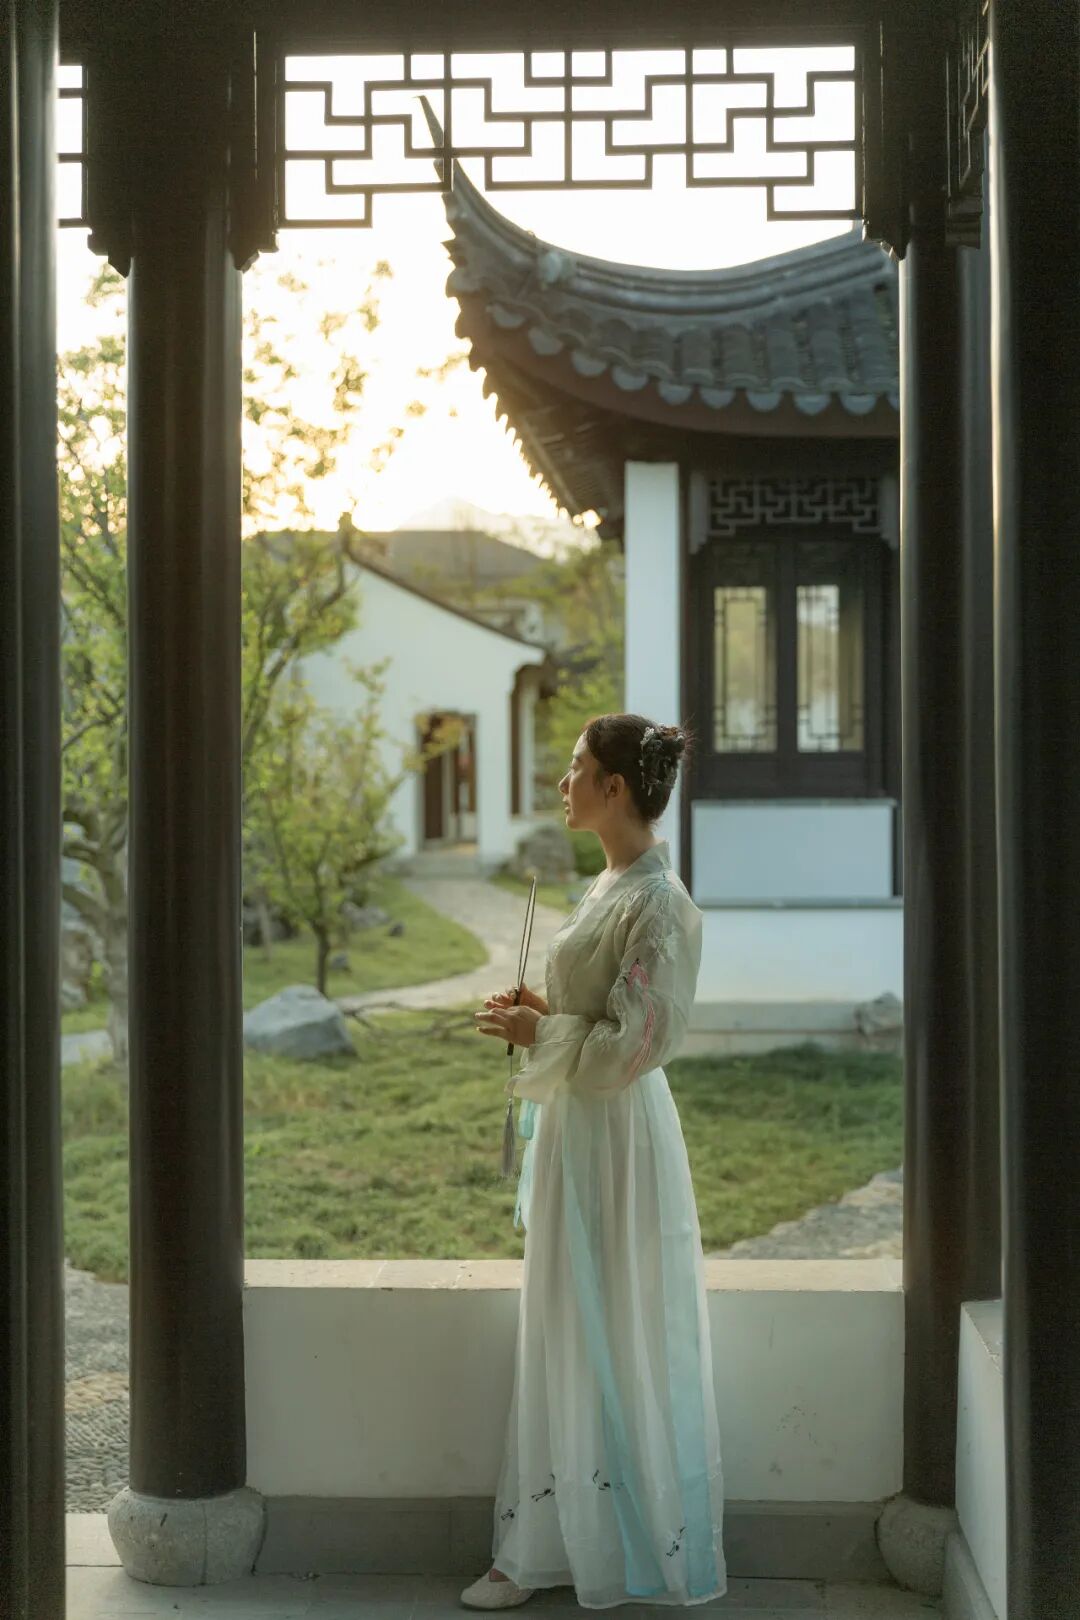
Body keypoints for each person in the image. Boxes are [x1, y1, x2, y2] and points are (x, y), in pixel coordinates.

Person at [461, 714, 727, 1611]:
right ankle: (546, 1541)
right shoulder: (609, 884)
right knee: (562, 1320)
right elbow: (598, 1011)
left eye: (576, 768)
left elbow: (634, 1045)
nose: (563, 782)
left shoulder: (662, 903)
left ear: (615, 787)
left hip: (617, 1135)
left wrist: (542, 1032)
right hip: (577, 1128)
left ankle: (614, 1544)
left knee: (611, 1322)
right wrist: (540, 1010)